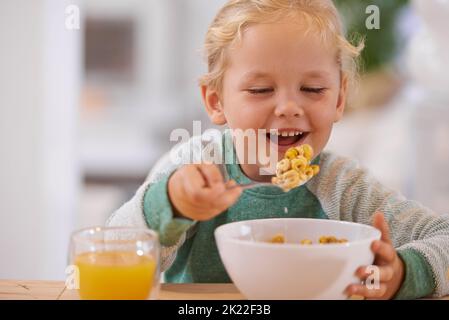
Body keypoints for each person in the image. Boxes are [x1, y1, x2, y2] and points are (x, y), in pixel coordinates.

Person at [107, 0, 449, 299]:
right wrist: (171, 204)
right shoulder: (195, 168)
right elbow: (110, 255)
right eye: (260, 89)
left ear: (340, 98)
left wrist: (404, 272)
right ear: (216, 101)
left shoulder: (344, 188)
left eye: (312, 89)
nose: (288, 107)